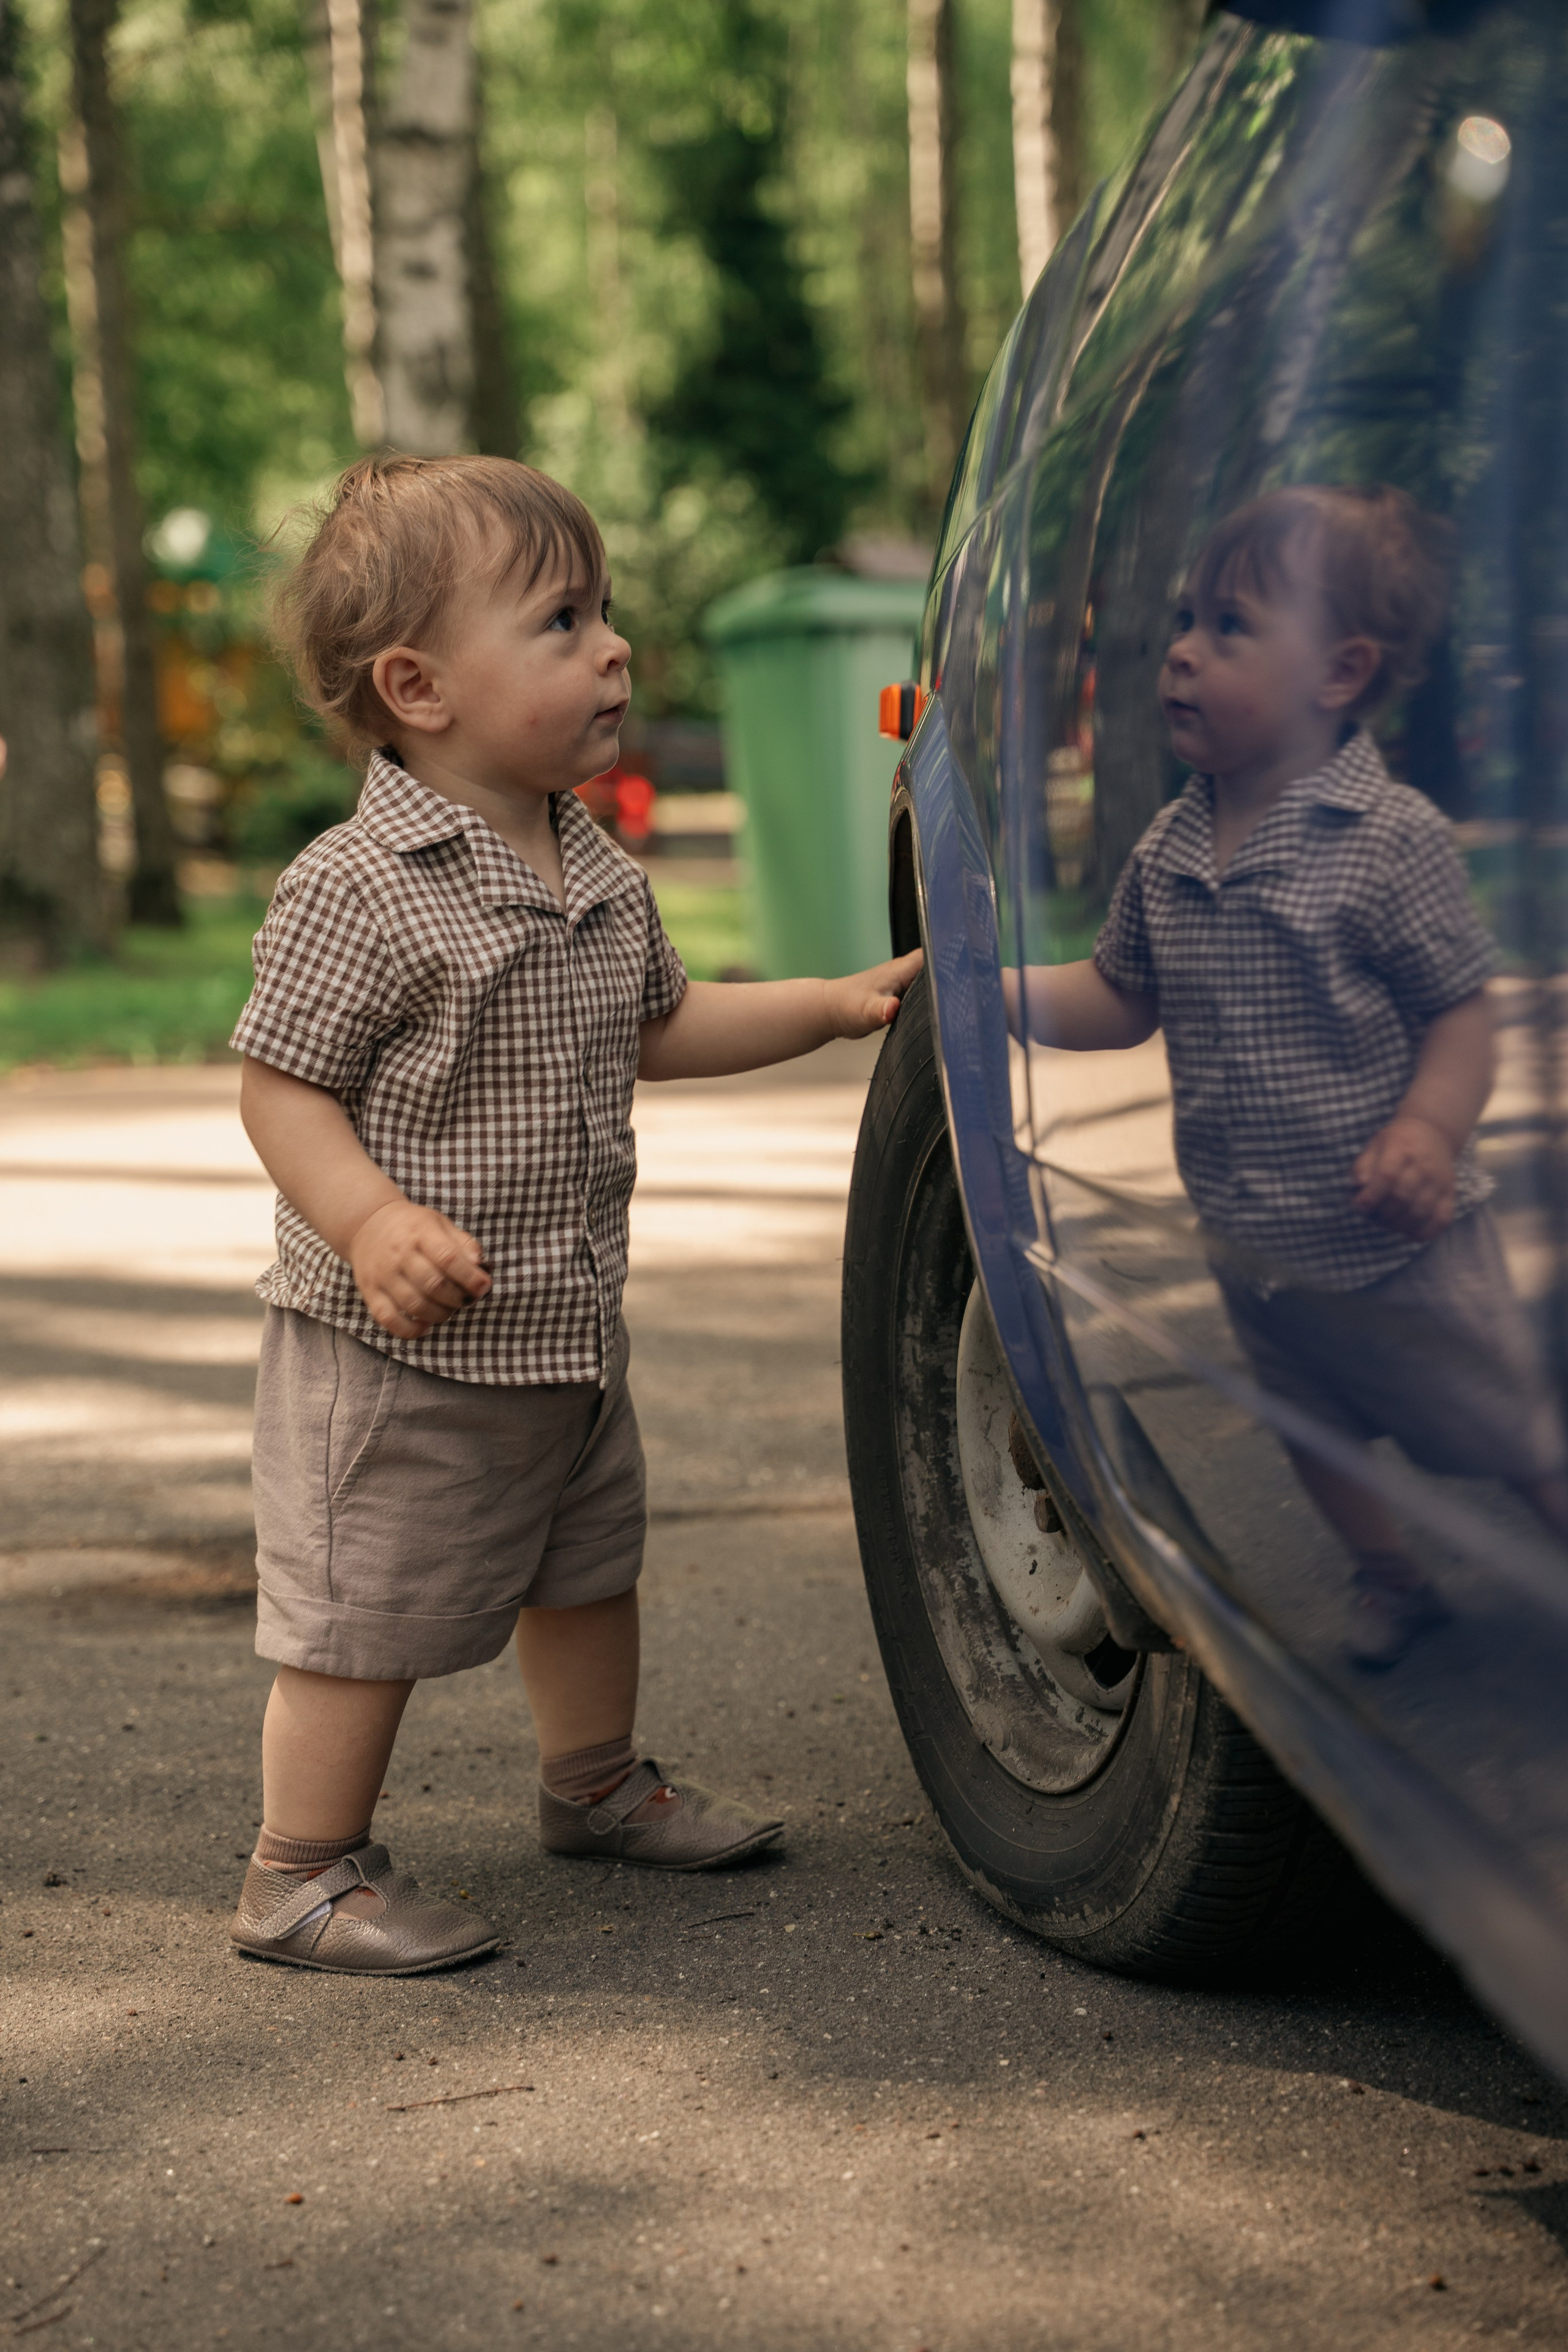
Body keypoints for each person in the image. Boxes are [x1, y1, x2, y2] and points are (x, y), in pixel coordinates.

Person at [227, 453, 920, 1974]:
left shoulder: (588, 856)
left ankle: (592, 1783)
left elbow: (653, 1026)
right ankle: (300, 1873)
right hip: (397, 1356)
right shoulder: (360, 884)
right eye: (559, 621)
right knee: (364, 1615)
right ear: (417, 685)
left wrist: (818, 1006)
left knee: (586, 1567)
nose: (612, 646)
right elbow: (280, 1089)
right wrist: (365, 1223)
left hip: (559, 1334)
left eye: (603, 612)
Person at [1017, 484, 1568, 1668]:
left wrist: (1428, 1128)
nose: (1180, 653)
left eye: (1229, 627)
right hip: (1260, 1251)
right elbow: (1119, 1002)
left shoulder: (1386, 837)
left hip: (1400, 1246)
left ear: (1339, 673)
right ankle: (1392, 1580)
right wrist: (989, 989)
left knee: (1502, 1433)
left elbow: (1462, 1009)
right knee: (1312, 1430)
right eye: (1184, 619)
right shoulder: (1170, 847)